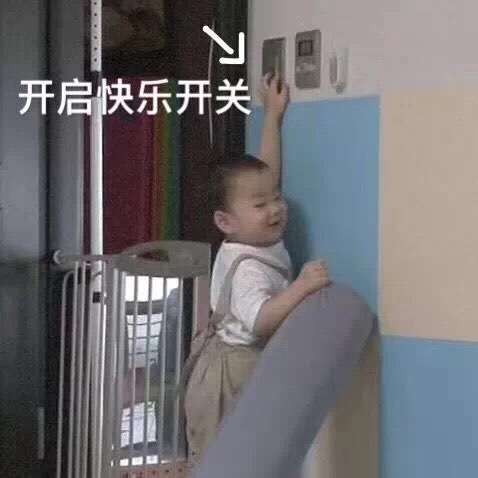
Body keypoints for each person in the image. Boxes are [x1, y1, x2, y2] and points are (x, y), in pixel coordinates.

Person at [183, 73, 331, 466]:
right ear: (225, 222)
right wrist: (302, 286)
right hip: (228, 372)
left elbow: (266, 171)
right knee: (225, 460)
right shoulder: (248, 266)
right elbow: (262, 320)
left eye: (276, 198)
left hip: (244, 362)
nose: (276, 208)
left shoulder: (254, 237)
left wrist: (272, 116)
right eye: (261, 205)